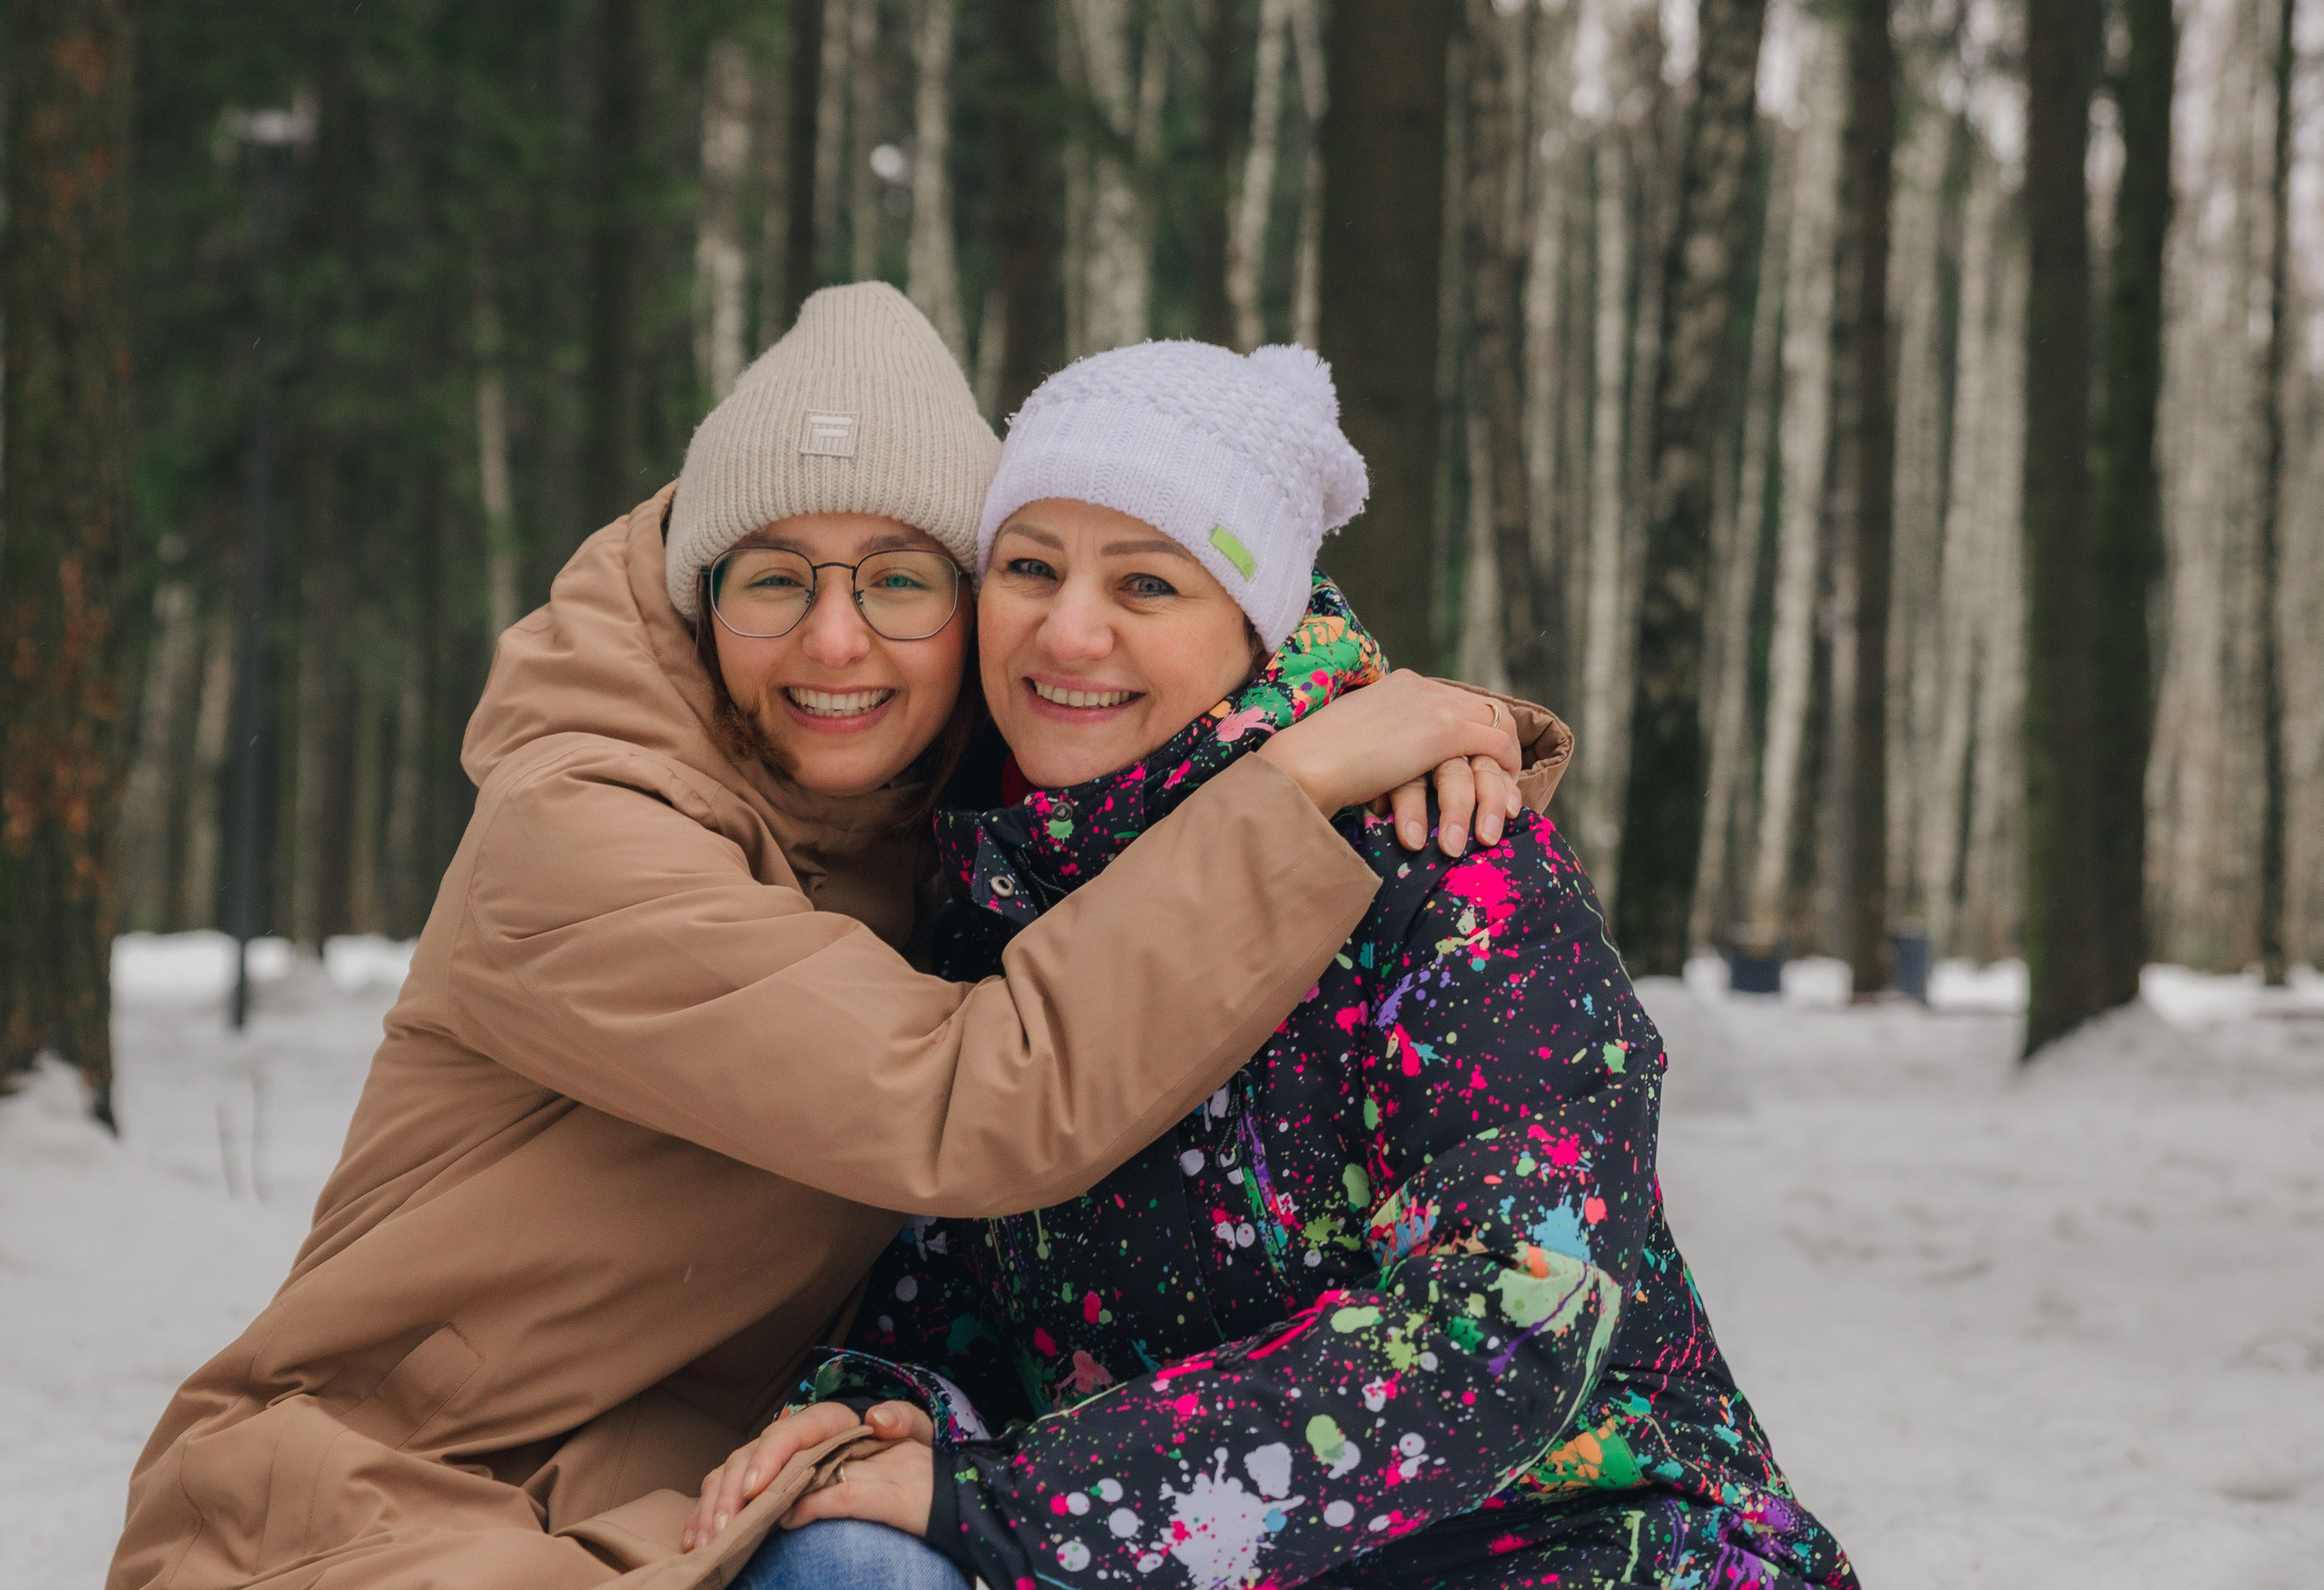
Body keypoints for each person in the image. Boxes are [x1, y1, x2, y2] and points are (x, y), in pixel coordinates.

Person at [105, 287, 1531, 1590]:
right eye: (775, 578)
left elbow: (1167, 671)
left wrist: (1420, 735)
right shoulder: (580, 835)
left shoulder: (954, 827)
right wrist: (1306, 778)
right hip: (374, 1508)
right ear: (699, 602)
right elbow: (971, 1099)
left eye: (900, 580)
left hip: (668, 1499)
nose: (834, 644)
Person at [696, 341, 1857, 1590]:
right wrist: (877, 1412)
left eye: (1147, 583)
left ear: (1257, 628)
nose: (1068, 629)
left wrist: (1015, 1502)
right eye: (1029, 567)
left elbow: (1507, 1317)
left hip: (1584, 1548)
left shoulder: (1443, 862)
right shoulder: (992, 888)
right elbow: (950, 1292)